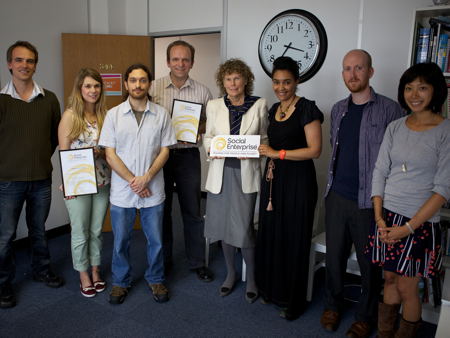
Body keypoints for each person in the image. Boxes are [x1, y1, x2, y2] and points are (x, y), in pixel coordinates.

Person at [321, 49, 404, 337]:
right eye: (347, 69)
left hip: (370, 202)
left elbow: (397, 155)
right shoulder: (337, 109)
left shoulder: (390, 110)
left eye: (358, 68)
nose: (352, 75)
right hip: (337, 196)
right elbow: (335, 147)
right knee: (334, 258)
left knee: (370, 264)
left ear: (370, 71)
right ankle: (333, 305)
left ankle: (365, 317)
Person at [365, 62, 450, 337]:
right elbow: (380, 171)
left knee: (407, 287)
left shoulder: (446, 131)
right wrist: (379, 217)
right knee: (388, 279)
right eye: (409, 88)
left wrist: (408, 228)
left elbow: (443, 189)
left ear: (435, 91)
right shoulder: (395, 127)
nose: (414, 94)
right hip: (386, 218)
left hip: (419, 223)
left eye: (422, 87)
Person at [98, 64, 176, 305]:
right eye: (133, 80)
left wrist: (147, 177)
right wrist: (134, 181)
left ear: (149, 84)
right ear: (126, 84)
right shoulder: (113, 115)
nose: (138, 85)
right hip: (123, 191)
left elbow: (165, 150)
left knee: (156, 240)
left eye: (142, 80)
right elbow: (109, 154)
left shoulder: (161, 114)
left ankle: (156, 278)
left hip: (153, 188)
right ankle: (121, 282)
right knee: (121, 240)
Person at [256, 56, 323, 320]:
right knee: (272, 235)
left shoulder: (307, 108)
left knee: (294, 239)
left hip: (298, 183)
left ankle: (292, 301)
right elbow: (266, 145)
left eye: (287, 82)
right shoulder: (273, 110)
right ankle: (271, 290)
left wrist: (277, 153)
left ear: (297, 81)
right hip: (274, 181)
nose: (281, 87)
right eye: (276, 82)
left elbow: (315, 151)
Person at [0, 41, 64, 309]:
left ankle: (42, 269)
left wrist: (37, 160)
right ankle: (3, 284)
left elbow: (54, 138)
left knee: (39, 230)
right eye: (19, 60)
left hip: (40, 179)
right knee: (5, 235)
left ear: (36, 65)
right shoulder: (1, 100)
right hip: (8, 181)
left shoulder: (49, 99)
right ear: (9, 64)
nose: (24, 65)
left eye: (30, 61)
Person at [203, 58, 268, 303]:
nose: (232, 83)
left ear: (246, 80)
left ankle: (251, 277)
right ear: (223, 81)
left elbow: (264, 138)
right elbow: (208, 138)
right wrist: (214, 148)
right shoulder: (214, 105)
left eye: (237, 78)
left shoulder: (259, 104)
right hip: (220, 173)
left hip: (245, 174)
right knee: (223, 227)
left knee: (243, 229)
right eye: (228, 78)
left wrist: (255, 149)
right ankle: (231, 274)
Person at [149, 40, 213, 281]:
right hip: (160, 157)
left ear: (192, 63)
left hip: (188, 156)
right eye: (175, 59)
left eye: (185, 59)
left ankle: (197, 262)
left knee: (192, 210)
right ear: (167, 62)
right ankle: (163, 261)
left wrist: (199, 127)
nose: (180, 63)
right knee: (161, 210)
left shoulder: (203, 91)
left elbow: (210, 120)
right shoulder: (153, 88)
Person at [58, 68, 111, 298]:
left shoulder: (105, 115)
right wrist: (66, 184)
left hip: (102, 181)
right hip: (78, 183)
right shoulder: (70, 116)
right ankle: (83, 274)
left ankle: (96, 270)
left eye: (96, 86)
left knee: (97, 230)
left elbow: (112, 148)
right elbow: (65, 152)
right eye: (88, 86)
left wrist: (101, 151)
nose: (93, 90)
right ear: (80, 89)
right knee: (79, 231)